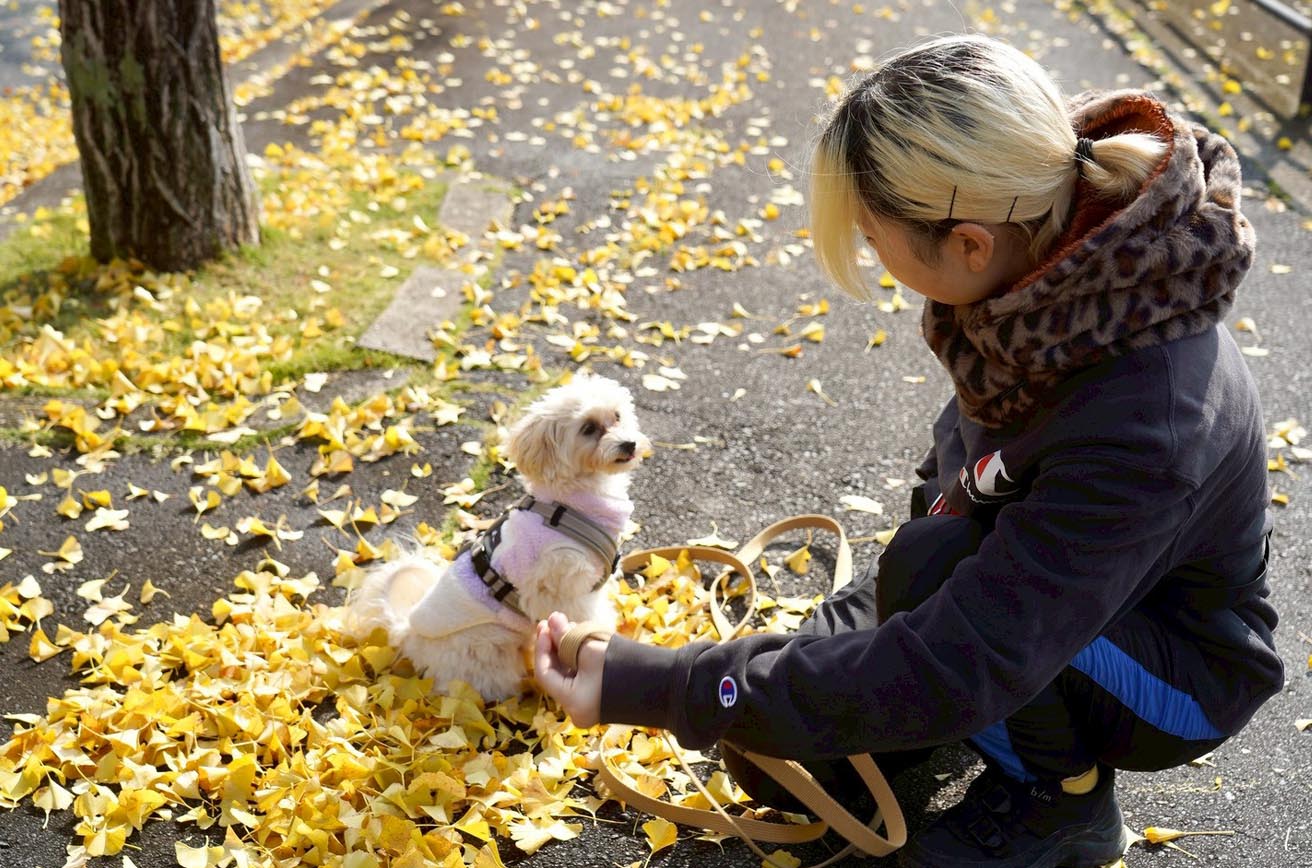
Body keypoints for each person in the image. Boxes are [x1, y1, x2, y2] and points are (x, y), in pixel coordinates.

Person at [533, 34, 1282, 868]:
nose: (872, 258)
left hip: (1176, 674)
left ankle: (1064, 800)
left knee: (914, 613)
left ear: (968, 243)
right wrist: (808, 658)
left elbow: (967, 653)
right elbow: (955, 493)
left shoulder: (1143, 417)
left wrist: (667, 686)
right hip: (1030, 590)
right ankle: (978, 719)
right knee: (775, 755)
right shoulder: (1048, 275)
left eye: (871, 236)